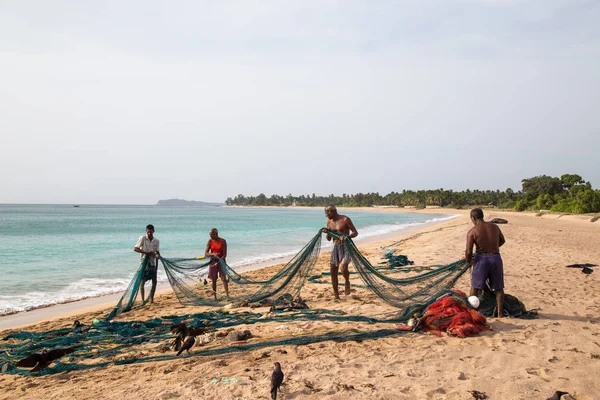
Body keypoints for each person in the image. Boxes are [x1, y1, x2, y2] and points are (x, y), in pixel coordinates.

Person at [465, 208, 506, 317]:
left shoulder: (472, 231)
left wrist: (469, 261)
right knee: (498, 288)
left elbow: (469, 251)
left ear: (473, 218)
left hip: (481, 259)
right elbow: (502, 241)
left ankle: (471, 312)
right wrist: (493, 248)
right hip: (496, 258)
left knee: (475, 287)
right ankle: (500, 313)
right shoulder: (495, 227)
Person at [322, 205, 358, 300]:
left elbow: (355, 232)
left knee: (343, 267)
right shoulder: (329, 222)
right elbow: (329, 239)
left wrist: (347, 237)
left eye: (327, 214)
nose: (326, 216)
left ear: (333, 212)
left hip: (346, 245)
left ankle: (347, 280)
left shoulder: (345, 219)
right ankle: (336, 295)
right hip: (335, 246)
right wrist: (327, 233)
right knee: (333, 270)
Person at [134, 224, 160, 304]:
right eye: (148, 232)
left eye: (151, 232)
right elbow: (135, 248)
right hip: (144, 264)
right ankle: (143, 300)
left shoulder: (156, 241)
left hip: (152, 263)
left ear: (153, 231)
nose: (149, 234)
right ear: (146, 231)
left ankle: (151, 299)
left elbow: (158, 252)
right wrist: (145, 253)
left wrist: (157, 255)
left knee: (154, 281)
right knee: (142, 281)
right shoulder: (142, 238)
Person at [204, 228, 229, 300]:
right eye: (210, 235)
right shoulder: (210, 241)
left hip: (222, 261)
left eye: (212, 235)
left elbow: (225, 255)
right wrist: (213, 254)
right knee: (214, 279)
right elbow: (206, 254)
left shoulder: (223, 241)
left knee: (224, 278)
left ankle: (227, 295)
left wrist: (219, 262)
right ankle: (215, 296)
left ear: (216, 234)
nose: (210, 236)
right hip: (212, 262)